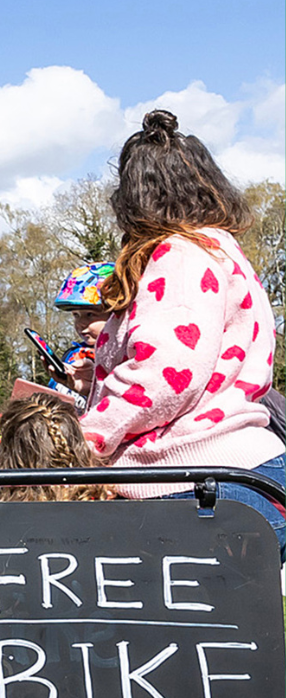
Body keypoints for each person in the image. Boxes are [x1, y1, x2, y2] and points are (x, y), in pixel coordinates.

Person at [81, 108, 283, 550]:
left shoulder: (180, 255)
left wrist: (82, 439)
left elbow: (164, 375)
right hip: (238, 474)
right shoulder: (222, 250)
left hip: (191, 478)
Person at [51, 259, 115, 400]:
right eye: (76, 315)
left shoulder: (123, 357)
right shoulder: (74, 355)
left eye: (90, 315)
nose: (80, 323)